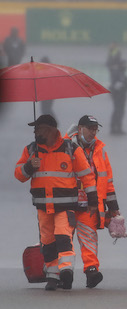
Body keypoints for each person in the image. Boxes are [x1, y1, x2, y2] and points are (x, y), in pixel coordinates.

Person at [15, 115, 98, 291]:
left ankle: (66, 270)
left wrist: (93, 201)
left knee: (63, 236)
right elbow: (19, 175)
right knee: (47, 241)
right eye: (35, 129)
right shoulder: (31, 150)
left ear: (51, 130)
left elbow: (87, 176)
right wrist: (29, 167)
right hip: (43, 207)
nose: (35, 132)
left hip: (66, 206)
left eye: (39, 129)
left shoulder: (71, 149)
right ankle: (53, 276)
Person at [67, 115, 121, 288]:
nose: (93, 132)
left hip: (89, 203)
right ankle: (63, 271)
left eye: (95, 129)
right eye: (90, 128)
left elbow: (108, 180)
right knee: (64, 237)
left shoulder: (100, 150)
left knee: (89, 237)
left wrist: (113, 208)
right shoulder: (66, 146)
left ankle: (91, 270)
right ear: (80, 128)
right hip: (66, 200)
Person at [109, 60, 127, 135]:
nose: (125, 66)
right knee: (117, 111)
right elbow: (114, 84)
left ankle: (118, 127)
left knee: (120, 111)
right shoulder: (117, 73)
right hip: (118, 95)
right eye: (124, 65)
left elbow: (126, 84)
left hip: (122, 95)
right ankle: (114, 127)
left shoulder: (122, 73)